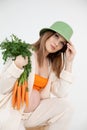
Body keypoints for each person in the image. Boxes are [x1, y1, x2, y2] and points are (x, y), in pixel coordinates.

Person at [0, 21, 76, 130]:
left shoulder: (51, 65)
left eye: (62, 43)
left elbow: (61, 93)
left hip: (33, 116)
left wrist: (69, 63)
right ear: (47, 34)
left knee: (67, 107)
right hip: (12, 112)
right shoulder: (23, 52)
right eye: (56, 36)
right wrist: (16, 66)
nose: (56, 43)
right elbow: (2, 88)